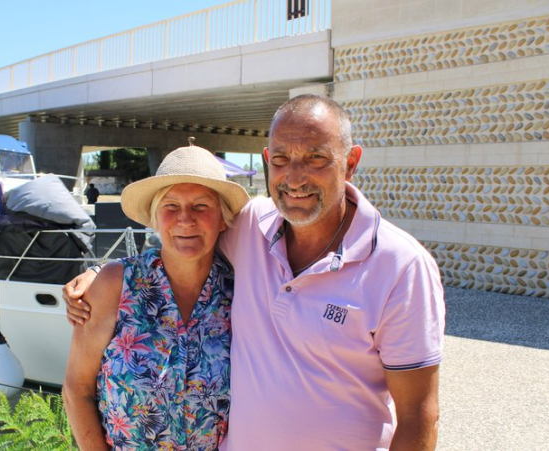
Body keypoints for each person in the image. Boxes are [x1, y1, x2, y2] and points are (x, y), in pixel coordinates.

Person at [64, 94, 446, 449]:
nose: (294, 178)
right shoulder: (253, 229)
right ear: (266, 160)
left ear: (350, 162)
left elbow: (418, 415)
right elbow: (178, 242)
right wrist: (101, 272)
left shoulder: (402, 266)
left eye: (315, 158)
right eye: (281, 160)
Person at [62, 144, 250, 449]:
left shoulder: (241, 291)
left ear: (223, 218)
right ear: (154, 216)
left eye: (201, 206)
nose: (185, 219)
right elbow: (76, 389)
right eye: (171, 206)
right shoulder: (115, 285)